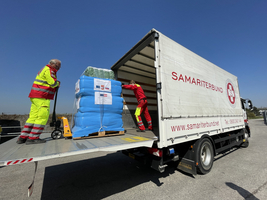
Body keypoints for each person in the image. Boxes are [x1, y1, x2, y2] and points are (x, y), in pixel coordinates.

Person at [16, 59, 61, 145]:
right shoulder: (49, 70)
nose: (58, 68)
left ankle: (23, 137)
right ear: (53, 64)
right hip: (42, 96)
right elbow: (52, 82)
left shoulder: (45, 69)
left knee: (33, 117)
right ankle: (33, 137)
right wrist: (57, 83)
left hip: (35, 96)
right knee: (42, 116)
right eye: (58, 66)